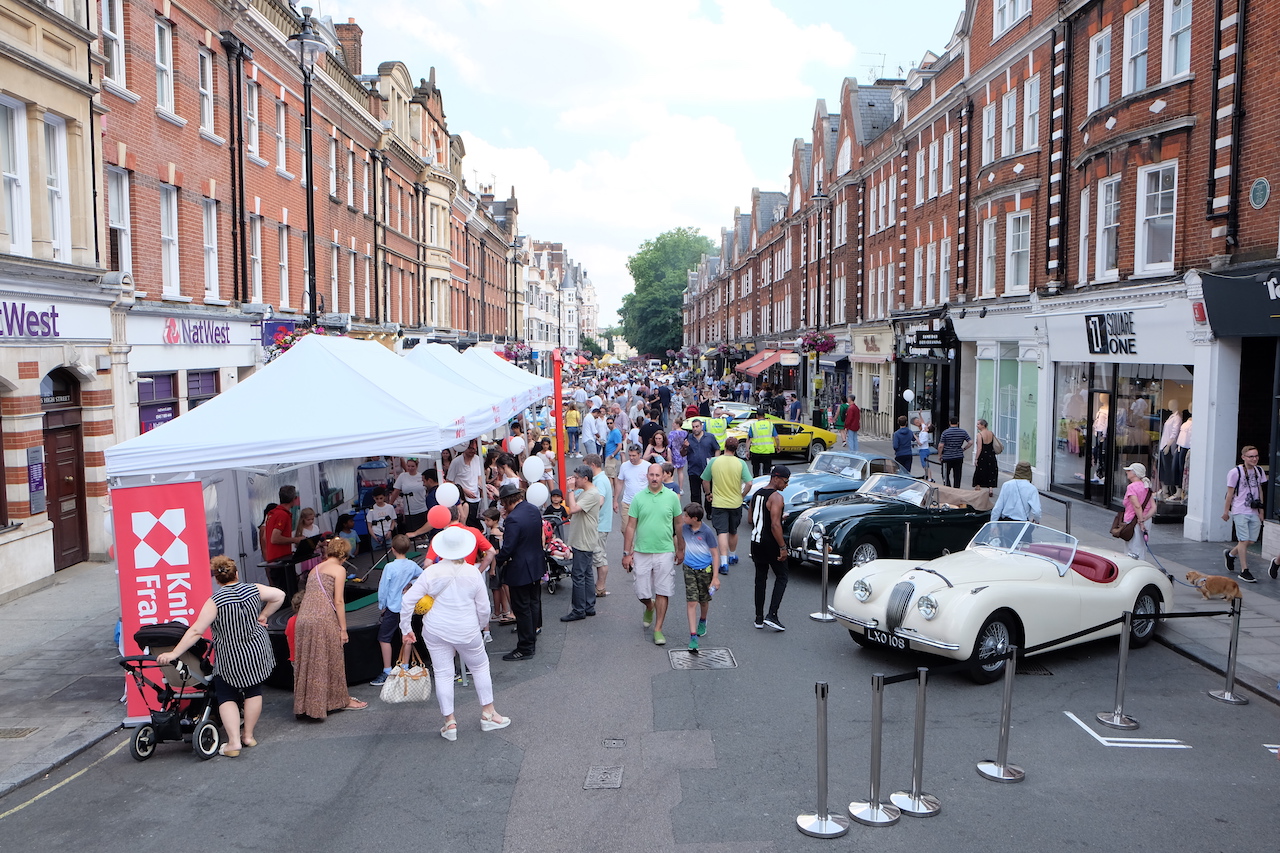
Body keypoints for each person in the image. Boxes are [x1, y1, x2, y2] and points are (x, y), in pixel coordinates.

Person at [156, 555, 284, 756]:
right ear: (237, 573)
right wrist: (264, 615)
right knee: (253, 690)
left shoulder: (215, 601)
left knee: (226, 694)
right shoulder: (253, 589)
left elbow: (196, 631)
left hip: (231, 654)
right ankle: (248, 736)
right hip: (257, 649)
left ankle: (233, 742)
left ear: (217, 579)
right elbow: (279, 595)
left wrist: (174, 653)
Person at [400, 526, 510, 741]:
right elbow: (484, 607)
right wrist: (480, 626)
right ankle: (488, 713)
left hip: (435, 629)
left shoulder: (430, 572)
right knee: (479, 667)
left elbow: (407, 600)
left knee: (443, 673)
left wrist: (407, 629)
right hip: (467, 628)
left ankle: (449, 722)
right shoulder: (472, 572)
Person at [292, 537, 368, 719]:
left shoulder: (314, 570)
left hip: (303, 617)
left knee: (309, 661)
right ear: (344, 555)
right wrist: (343, 629)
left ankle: (306, 705)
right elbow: (339, 601)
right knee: (332, 659)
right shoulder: (339, 570)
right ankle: (340, 700)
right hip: (323, 618)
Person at [621, 463, 685, 646]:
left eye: (658, 475)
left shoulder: (672, 497)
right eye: (652, 475)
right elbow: (631, 526)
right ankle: (649, 606)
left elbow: (679, 524)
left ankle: (658, 629)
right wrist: (627, 553)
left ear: (663, 476)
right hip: (642, 551)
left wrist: (680, 548)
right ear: (647, 477)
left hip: (665, 550)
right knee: (641, 590)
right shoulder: (639, 498)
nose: (655, 478)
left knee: (663, 590)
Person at [494, 483, 544, 660]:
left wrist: (496, 560)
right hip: (536, 564)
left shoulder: (513, 518)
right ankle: (533, 634)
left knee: (522, 609)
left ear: (507, 501)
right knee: (533, 603)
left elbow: (508, 549)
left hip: (520, 568)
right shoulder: (532, 509)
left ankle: (525, 647)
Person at [371, 535, 422, 687]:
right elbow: (423, 576)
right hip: (407, 606)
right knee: (406, 635)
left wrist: (382, 605)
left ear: (392, 549)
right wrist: (411, 585)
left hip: (393, 607)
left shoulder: (389, 567)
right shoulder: (412, 565)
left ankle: (387, 670)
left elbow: (383, 589)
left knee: (384, 637)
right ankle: (405, 667)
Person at [749, 465, 791, 631]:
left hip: (755, 541)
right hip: (770, 542)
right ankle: (772, 615)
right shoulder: (776, 497)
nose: (786, 485)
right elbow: (774, 525)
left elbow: (751, 519)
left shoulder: (757, 493)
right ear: (776, 478)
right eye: (785, 481)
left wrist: (778, 516)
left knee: (760, 578)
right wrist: (782, 547)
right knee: (782, 575)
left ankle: (758, 618)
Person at [703, 436, 752, 576]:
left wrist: (708, 494)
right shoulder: (741, 463)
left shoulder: (714, 461)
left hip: (719, 502)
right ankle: (732, 555)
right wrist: (742, 495)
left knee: (722, 532)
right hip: (735, 502)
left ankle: (723, 562)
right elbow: (749, 483)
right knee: (733, 530)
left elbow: (705, 480)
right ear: (736, 449)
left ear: (725, 446)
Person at [561, 465, 602, 622]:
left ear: (585, 478)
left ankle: (579, 610)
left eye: (576, 477)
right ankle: (589, 606)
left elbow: (572, 509)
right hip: (583, 538)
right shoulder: (587, 492)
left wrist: (571, 490)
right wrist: (569, 489)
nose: (574, 480)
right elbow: (567, 503)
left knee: (578, 575)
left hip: (584, 539)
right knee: (586, 573)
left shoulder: (592, 493)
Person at [679, 502, 720, 652]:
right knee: (692, 602)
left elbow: (715, 554)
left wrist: (715, 577)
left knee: (703, 600)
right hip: (689, 568)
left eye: (686, 516)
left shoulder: (707, 532)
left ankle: (703, 620)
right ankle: (693, 636)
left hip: (705, 570)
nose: (683, 518)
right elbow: (674, 537)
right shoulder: (684, 528)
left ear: (695, 518)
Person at [1223, 446, 1268, 583]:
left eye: (1256, 456)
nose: (1254, 459)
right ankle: (1244, 570)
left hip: (1253, 510)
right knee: (1243, 540)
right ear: (1243, 457)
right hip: (1240, 509)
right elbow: (1229, 494)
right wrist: (1226, 511)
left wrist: (1261, 511)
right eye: (1251, 456)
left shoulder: (1259, 470)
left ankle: (1231, 554)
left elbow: (1260, 490)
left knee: (1251, 540)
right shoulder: (1235, 472)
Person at [263, 486, 302, 595]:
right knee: (287, 593)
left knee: (282, 592)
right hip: (281, 559)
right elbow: (274, 538)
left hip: (275, 559)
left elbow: (266, 537)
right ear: (293, 498)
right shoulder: (282, 515)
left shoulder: (273, 513)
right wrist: (296, 539)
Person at [585, 453, 614, 597]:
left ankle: (600, 587)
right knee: (598, 555)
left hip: (599, 525)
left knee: (599, 557)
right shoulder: (599, 478)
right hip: (599, 524)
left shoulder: (600, 481)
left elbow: (600, 501)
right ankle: (599, 586)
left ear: (592, 465)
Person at [683, 418, 721, 511]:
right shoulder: (689, 438)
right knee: (695, 494)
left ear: (701, 426)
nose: (695, 429)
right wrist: (684, 447)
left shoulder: (710, 437)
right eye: (693, 427)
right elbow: (683, 453)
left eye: (697, 426)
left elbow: (717, 449)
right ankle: (697, 512)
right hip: (693, 470)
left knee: (709, 492)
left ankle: (709, 511)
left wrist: (715, 461)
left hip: (707, 470)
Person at [1122, 462, 1157, 562]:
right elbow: (1153, 507)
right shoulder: (1146, 486)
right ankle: (1142, 563)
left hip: (1134, 520)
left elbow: (1136, 505)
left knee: (1132, 547)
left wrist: (1141, 521)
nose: (1127, 472)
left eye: (1129, 470)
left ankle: (1133, 566)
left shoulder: (1131, 487)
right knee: (1142, 547)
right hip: (1146, 520)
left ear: (1135, 473)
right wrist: (1146, 517)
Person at [447, 439, 486, 528]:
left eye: (474, 449)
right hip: (463, 499)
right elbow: (450, 481)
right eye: (470, 448)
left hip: (476, 498)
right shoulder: (456, 462)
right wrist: (464, 490)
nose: (472, 451)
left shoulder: (478, 459)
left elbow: (479, 478)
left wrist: (484, 488)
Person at [389, 457, 429, 535]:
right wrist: (390, 504)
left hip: (422, 508)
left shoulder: (421, 476)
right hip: (409, 510)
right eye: (408, 466)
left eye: (412, 466)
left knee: (423, 533)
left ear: (417, 466)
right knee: (411, 533)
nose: (410, 468)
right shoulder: (402, 476)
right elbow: (396, 491)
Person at [938, 416, 973, 489]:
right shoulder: (963, 432)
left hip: (947, 456)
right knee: (957, 474)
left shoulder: (945, 432)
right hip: (958, 456)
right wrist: (963, 449)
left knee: (945, 474)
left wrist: (940, 455)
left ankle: (948, 488)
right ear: (958, 423)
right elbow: (970, 442)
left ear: (949, 423)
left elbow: (941, 445)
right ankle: (956, 489)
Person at [616, 444, 650, 517]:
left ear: (640, 455)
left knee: (641, 527)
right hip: (627, 503)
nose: (631, 458)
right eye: (630, 455)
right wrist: (615, 500)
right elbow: (619, 483)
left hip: (643, 503)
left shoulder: (647, 466)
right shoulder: (624, 466)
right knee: (626, 527)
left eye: (634, 455)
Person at [365, 488, 398, 552]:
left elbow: (393, 521)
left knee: (390, 553)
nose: (379, 501)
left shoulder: (390, 508)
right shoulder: (371, 510)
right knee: (377, 555)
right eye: (377, 499)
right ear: (373, 498)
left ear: (384, 497)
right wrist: (374, 537)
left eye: (381, 498)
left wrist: (390, 531)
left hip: (387, 534)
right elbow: (369, 526)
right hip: (376, 535)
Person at [972, 419, 999, 493]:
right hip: (991, 454)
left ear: (982, 425)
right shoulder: (991, 433)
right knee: (991, 471)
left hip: (983, 455)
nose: (977, 426)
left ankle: (978, 486)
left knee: (980, 471)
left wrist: (976, 458)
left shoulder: (979, 435)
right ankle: (991, 488)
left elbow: (979, 448)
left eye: (978, 424)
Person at [668, 421, 689, 494]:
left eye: (673, 423)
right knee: (680, 472)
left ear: (677, 424)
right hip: (682, 454)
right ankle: (680, 488)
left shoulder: (672, 433)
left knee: (671, 472)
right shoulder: (685, 433)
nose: (672, 424)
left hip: (673, 454)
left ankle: (671, 487)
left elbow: (669, 444)